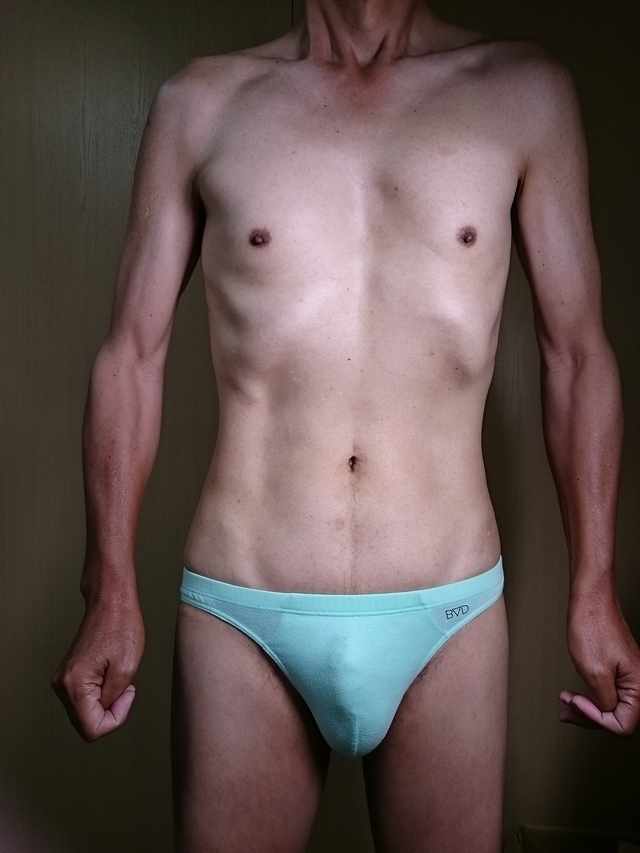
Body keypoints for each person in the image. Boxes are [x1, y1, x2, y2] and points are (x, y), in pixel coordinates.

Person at [52, 1, 640, 851]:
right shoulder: (202, 103)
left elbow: (578, 356)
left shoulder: (523, 93)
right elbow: (130, 357)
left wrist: (596, 587)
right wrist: (106, 585)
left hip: (448, 607)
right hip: (245, 605)